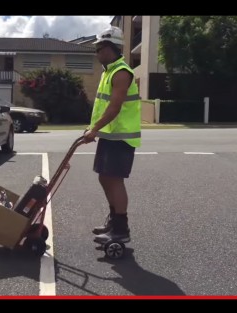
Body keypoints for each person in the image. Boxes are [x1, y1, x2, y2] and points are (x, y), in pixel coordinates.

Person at [82, 26, 141, 244]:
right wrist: (93, 127)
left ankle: (121, 229)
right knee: (104, 177)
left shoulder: (121, 72)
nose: (97, 53)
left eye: (99, 48)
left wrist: (94, 129)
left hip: (121, 137)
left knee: (114, 181)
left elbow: (114, 107)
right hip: (110, 135)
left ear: (111, 48)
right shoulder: (109, 71)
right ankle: (113, 221)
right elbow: (102, 106)